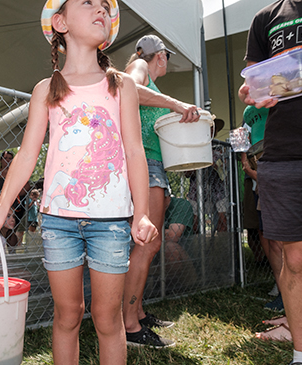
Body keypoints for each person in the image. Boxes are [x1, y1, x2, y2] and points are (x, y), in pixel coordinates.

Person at [0, 1, 157, 363]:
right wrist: (1, 206)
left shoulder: (121, 85)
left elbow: (135, 152)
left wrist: (141, 213)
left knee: (107, 319)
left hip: (110, 224)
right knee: (68, 315)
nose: (102, 10)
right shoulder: (46, 89)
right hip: (58, 223)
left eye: (106, 7)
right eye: (88, 2)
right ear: (60, 22)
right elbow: (27, 155)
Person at [238, 1, 302, 364]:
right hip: (284, 151)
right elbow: (253, 80)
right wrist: (251, 91)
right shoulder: (265, 18)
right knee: (295, 258)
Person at [123, 34, 200, 348]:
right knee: (145, 244)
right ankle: (128, 325)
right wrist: (175, 103)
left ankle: (137, 311)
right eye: (167, 55)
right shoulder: (138, 66)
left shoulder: (152, 83)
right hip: (146, 165)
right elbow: (127, 90)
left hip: (156, 165)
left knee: (149, 246)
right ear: (161, 56)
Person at [241, 105, 284, 311]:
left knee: (287, 237)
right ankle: (284, 290)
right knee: (268, 235)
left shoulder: (281, 98)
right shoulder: (247, 112)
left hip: (284, 175)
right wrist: (247, 164)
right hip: (261, 184)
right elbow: (243, 141)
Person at [186, 118, 228, 233]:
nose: (211, 131)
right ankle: (198, 246)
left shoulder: (220, 147)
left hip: (217, 189)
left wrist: (219, 166)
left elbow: (225, 172)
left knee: (223, 221)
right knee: (195, 222)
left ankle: (220, 246)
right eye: (209, 128)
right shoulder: (193, 148)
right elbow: (186, 173)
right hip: (197, 189)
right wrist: (200, 164)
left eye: (214, 129)